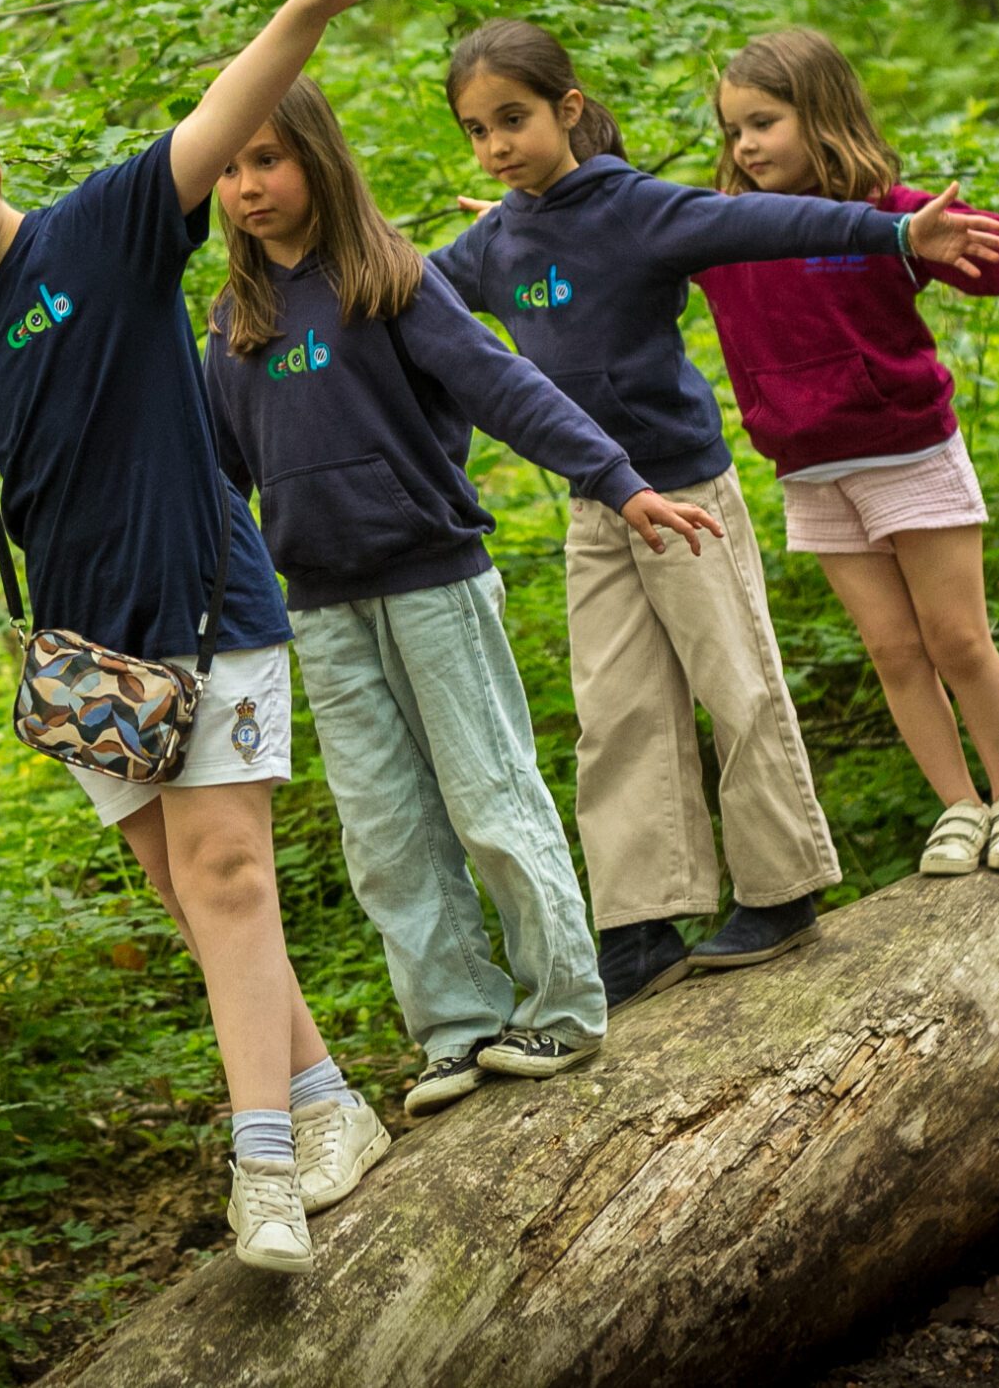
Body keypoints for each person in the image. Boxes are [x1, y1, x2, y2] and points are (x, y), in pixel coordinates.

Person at [0, 0, 408, 1274]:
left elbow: (227, 110)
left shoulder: (107, 233)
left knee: (233, 871)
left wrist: (314, 0)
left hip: (204, 605)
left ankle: (262, 1162)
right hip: (91, 659)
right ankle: (323, 1105)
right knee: (199, 901)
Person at [434, 17, 999, 1005]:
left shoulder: (638, 212)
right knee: (613, 711)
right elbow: (408, 301)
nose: (494, 147)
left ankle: (779, 886)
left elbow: (769, 223)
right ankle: (638, 921)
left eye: (513, 120)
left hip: (685, 490)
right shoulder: (494, 241)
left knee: (733, 683)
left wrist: (890, 232)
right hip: (595, 503)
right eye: (477, 130)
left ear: (568, 110)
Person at [204, 75, 724, 1116]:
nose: (247, 185)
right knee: (385, 831)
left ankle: (564, 1006)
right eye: (226, 167)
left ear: (316, 158)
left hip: (429, 577)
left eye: (268, 159)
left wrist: (617, 481)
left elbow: (505, 386)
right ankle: (457, 1026)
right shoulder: (232, 320)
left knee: (489, 795)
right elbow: (217, 474)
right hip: (317, 603)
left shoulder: (387, 279)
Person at [705, 26, 999, 874]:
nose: (744, 144)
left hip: (904, 448)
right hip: (809, 468)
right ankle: (958, 805)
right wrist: (545, 231)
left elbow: (995, 245)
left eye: (763, 122)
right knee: (892, 649)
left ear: (820, 116)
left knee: (956, 636)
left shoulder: (890, 214)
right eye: (734, 128)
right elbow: (616, 243)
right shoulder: (726, 230)